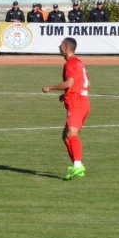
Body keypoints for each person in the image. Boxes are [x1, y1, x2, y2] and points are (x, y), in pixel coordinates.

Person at [42, 37, 90, 180]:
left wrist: (51, 87)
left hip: (77, 103)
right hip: (81, 101)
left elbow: (69, 83)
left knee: (71, 134)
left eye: (60, 45)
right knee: (65, 136)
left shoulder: (70, 63)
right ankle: (77, 167)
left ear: (66, 47)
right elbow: (86, 83)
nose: (59, 47)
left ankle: (77, 166)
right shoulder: (78, 63)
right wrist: (66, 95)